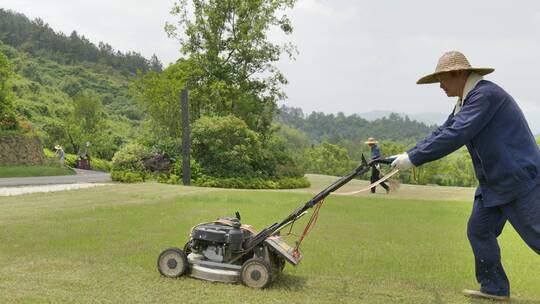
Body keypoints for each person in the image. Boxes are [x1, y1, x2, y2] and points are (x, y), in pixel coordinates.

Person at [391, 51, 540, 301]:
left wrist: (414, 159)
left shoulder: (485, 96)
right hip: (493, 183)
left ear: (459, 74)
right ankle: (494, 288)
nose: (440, 86)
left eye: (442, 79)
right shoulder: (467, 101)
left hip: (516, 179)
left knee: (537, 235)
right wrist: (409, 153)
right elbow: (445, 130)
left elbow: (457, 134)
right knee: (479, 229)